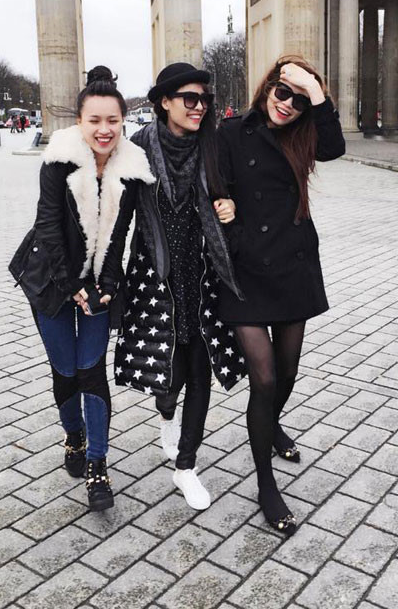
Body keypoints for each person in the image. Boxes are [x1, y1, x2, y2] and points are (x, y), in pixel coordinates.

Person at [9, 66, 154, 511]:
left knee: (91, 370)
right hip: (51, 279)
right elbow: (48, 226)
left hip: (97, 281)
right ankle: (73, 436)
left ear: (123, 120)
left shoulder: (131, 168)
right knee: (66, 371)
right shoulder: (58, 161)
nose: (104, 129)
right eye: (95, 120)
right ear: (80, 121)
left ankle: (97, 463)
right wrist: (71, 284)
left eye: (113, 120)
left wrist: (108, 282)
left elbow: (120, 233)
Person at [216, 54, 345, 536]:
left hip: (292, 266)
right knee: (265, 379)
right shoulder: (232, 132)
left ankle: (272, 428)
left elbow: (335, 147)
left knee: (288, 372)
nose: (287, 104)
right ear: (268, 87)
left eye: (298, 98)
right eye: (282, 91)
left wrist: (317, 91)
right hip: (245, 272)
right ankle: (266, 484)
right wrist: (230, 223)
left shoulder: (305, 135)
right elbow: (215, 188)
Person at [114, 62, 245, 511]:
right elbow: (121, 218)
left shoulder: (213, 145)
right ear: (164, 102)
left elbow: (232, 194)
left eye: (205, 99)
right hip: (155, 277)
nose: (200, 107)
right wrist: (110, 278)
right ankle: (167, 414)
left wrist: (230, 206)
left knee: (200, 368)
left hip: (203, 274)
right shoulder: (137, 149)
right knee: (170, 376)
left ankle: (186, 466)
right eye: (190, 99)